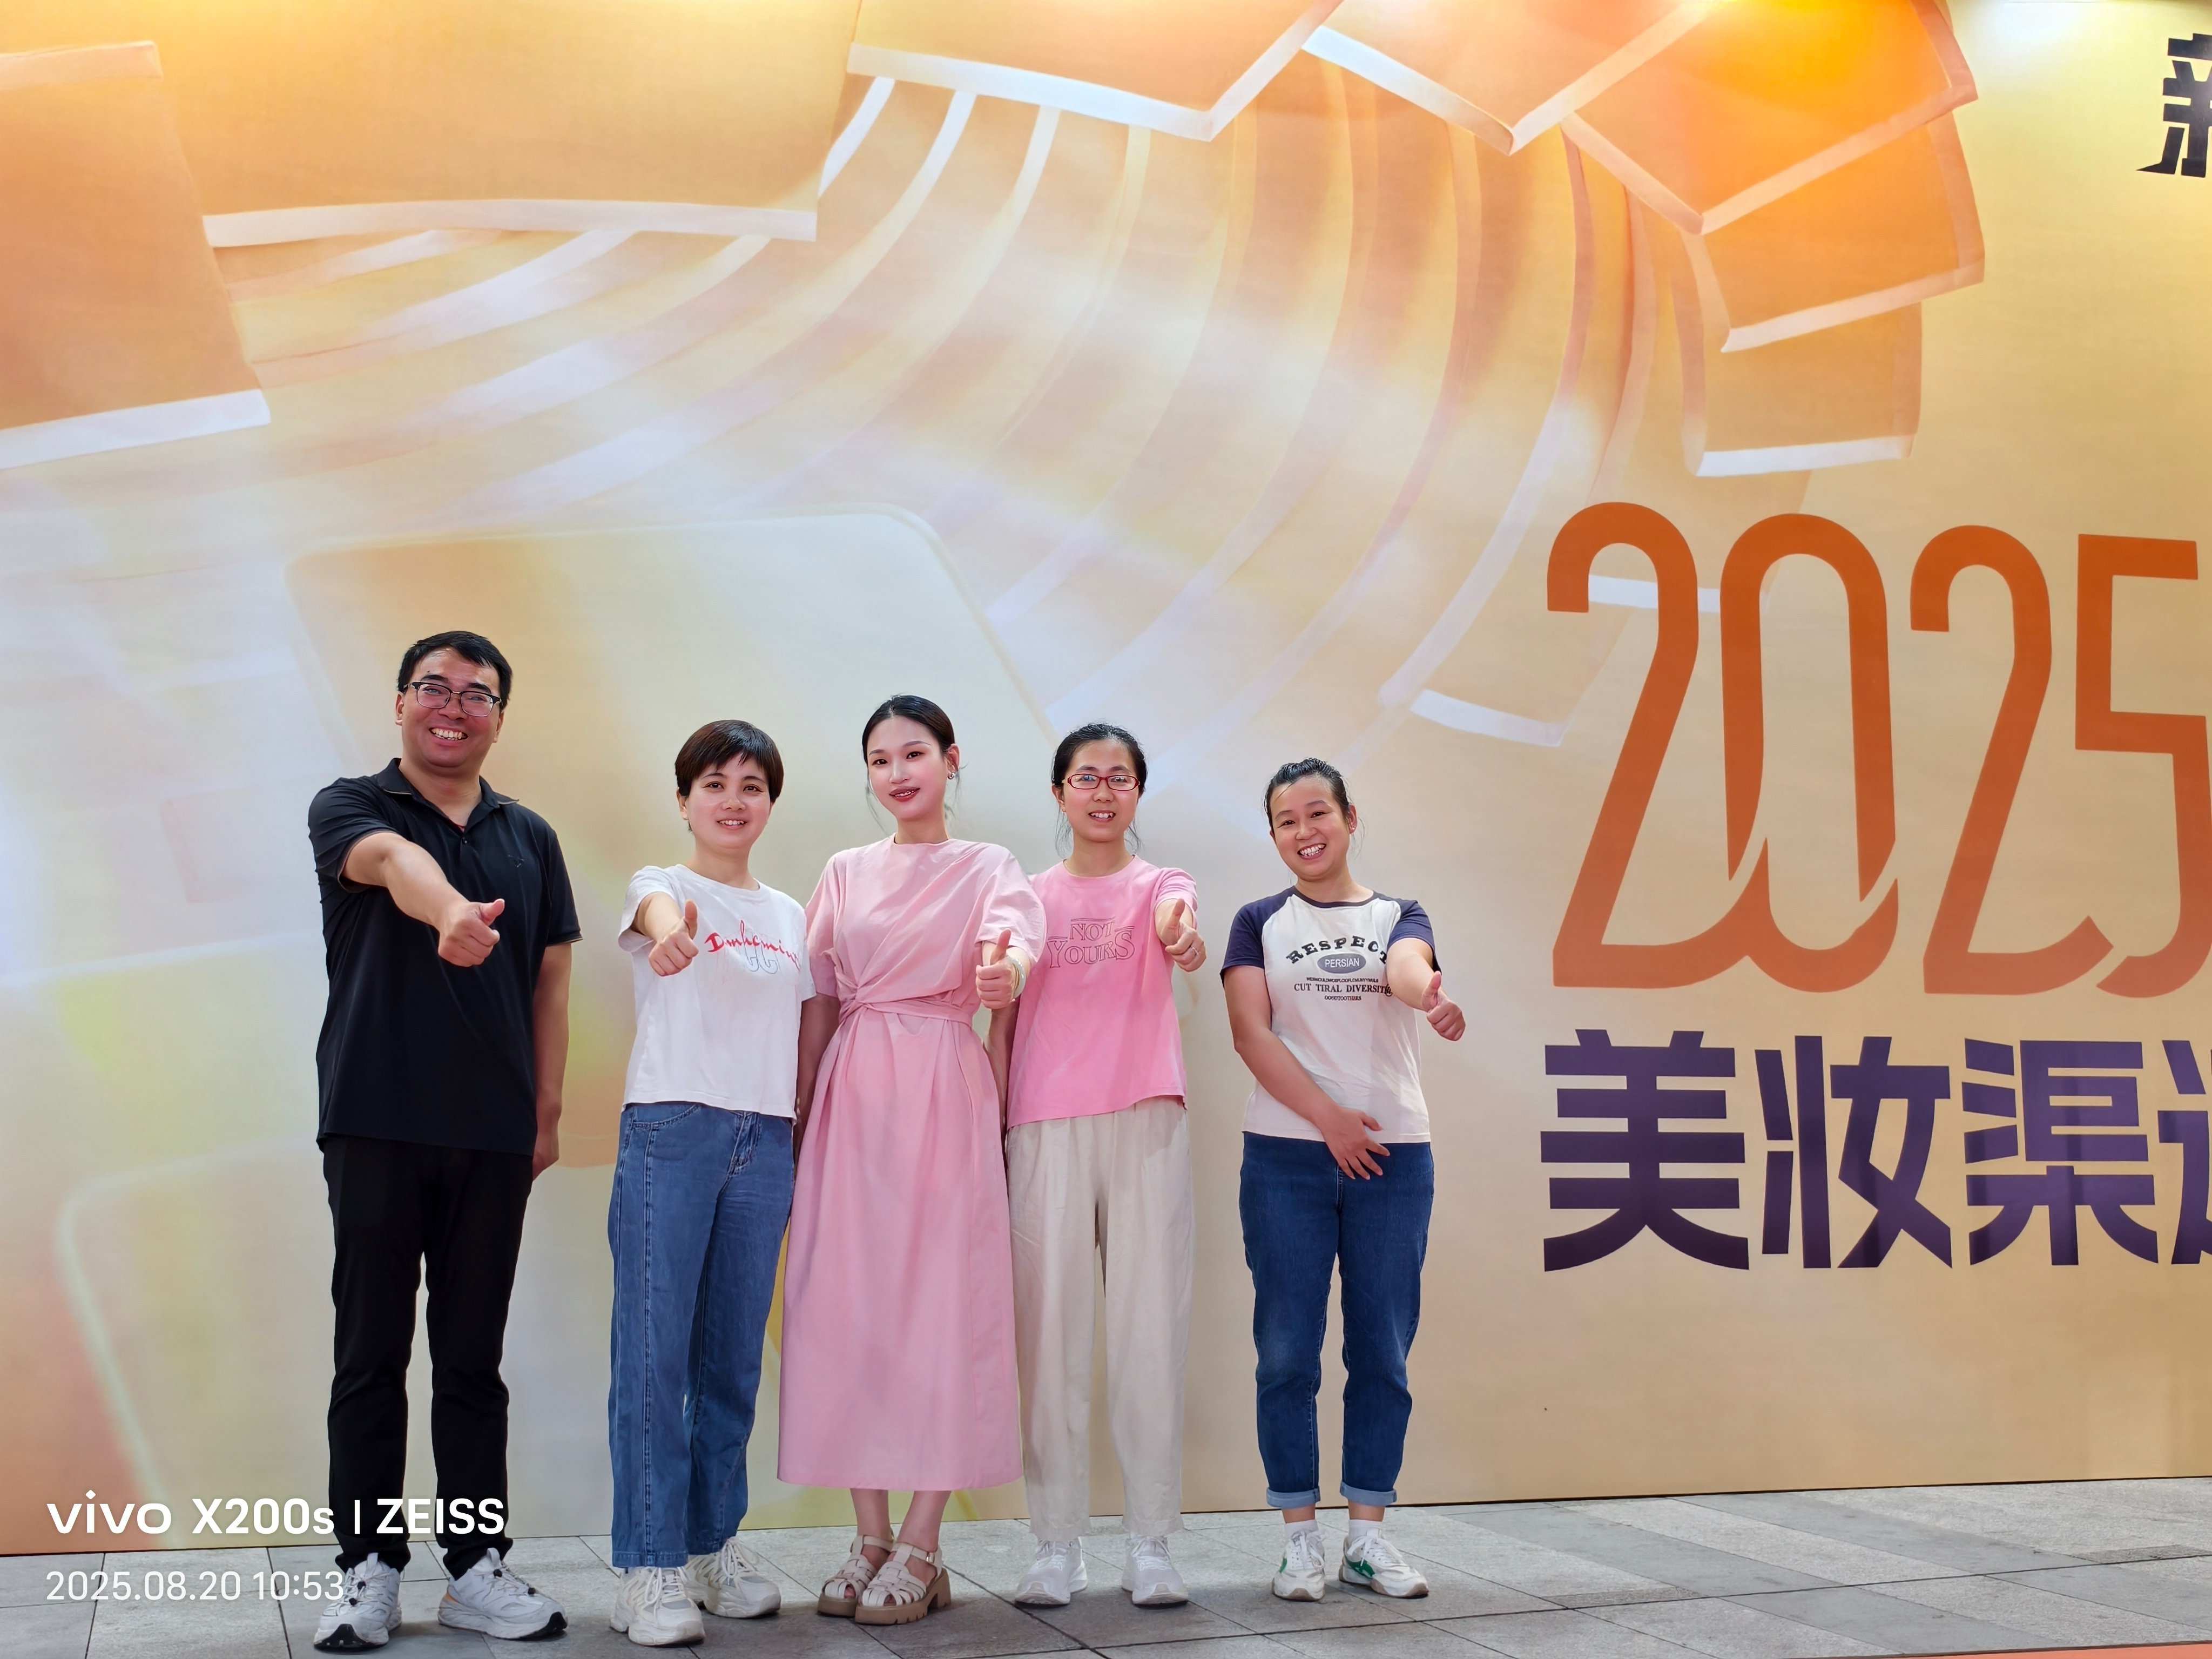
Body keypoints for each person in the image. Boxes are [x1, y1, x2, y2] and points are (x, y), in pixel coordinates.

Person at [306, 631, 574, 1651]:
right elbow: (392, 862)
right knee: (370, 1353)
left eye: (477, 694)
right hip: (376, 1118)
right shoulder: (352, 805)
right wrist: (451, 911)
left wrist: (545, 1112)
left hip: (494, 1134)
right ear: (401, 702)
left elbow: (551, 978)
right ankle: (367, 1568)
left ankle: (474, 1566)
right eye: (434, 687)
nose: (453, 707)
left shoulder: (529, 835)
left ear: (500, 715)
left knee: (472, 1359)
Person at [778, 695, 1046, 1628]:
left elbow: (1015, 946)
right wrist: (800, 1111)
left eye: (915, 754)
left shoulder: (989, 865)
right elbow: (818, 994)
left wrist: (1004, 975)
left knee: (942, 1303)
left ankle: (925, 1542)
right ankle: (870, 1535)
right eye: (882, 759)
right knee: (846, 1303)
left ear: (951, 760)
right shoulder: (844, 871)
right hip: (852, 1091)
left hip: (941, 1080)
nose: (898, 773)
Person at [1220, 757, 1465, 1604]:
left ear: (1350, 818)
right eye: (1286, 821)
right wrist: (1327, 1120)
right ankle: (1300, 1541)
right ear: (1274, 835)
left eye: (1318, 813)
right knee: (1287, 1352)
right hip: (1286, 1157)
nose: (1305, 831)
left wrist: (1429, 995)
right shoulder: (1258, 922)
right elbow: (1250, 1033)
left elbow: (1405, 967)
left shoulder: (1400, 914)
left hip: (1392, 1160)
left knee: (1382, 1352)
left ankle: (1367, 1538)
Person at [605, 720, 823, 1647]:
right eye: (715, 783)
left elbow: (806, 1032)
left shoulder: (790, 915)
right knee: (654, 1353)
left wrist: (801, 1131)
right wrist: (668, 940)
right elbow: (656, 918)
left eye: (752, 786)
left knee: (732, 1360)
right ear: (685, 799)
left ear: (770, 803)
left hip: (765, 1136)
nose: (734, 800)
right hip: (673, 1128)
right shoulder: (662, 885)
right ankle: (648, 1567)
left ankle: (709, 1547)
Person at [989, 724, 1205, 1610]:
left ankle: (1150, 1542)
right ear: (1060, 792)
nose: (1103, 792)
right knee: (1049, 1337)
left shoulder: (1163, 885)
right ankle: (1056, 1543)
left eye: (1119, 778)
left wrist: (1181, 938)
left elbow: (1178, 922)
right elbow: (1005, 1010)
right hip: (1044, 1123)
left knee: (1151, 1330)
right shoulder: (1028, 895)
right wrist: (991, 1124)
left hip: (1146, 1115)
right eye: (1086, 778)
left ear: (1137, 792)